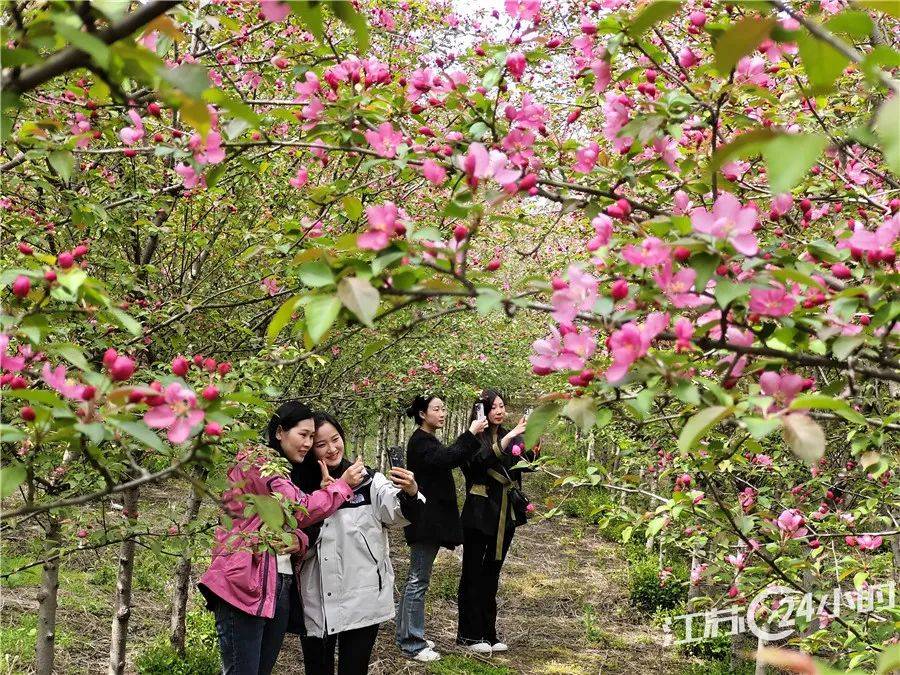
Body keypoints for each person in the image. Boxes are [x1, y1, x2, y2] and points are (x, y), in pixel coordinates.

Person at [197, 401, 367, 675]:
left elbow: (285, 524)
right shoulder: (259, 463)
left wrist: (298, 541)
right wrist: (342, 485)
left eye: (313, 437)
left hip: (277, 581)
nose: (308, 443)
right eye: (303, 435)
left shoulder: (283, 470)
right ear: (279, 432)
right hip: (244, 582)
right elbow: (298, 509)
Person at [295, 412, 425, 675]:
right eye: (321, 444)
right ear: (309, 448)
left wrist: (410, 491)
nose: (332, 449)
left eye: (336, 439)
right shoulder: (300, 487)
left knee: (354, 669)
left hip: (363, 596)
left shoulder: (369, 481)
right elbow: (298, 539)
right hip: (317, 597)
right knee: (317, 668)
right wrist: (326, 496)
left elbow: (397, 512)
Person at [395, 394, 489, 662]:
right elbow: (448, 458)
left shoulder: (426, 440)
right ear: (423, 414)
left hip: (428, 521)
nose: (442, 413)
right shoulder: (421, 442)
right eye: (437, 409)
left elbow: (447, 457)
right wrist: (470, 433)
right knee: (417, 580)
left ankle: (407, 634)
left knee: (416, 578)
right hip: (424, 522)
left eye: (444, 408)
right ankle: (412, 642)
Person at [457, 389, 535, 655]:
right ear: (482, 411)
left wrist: (533, 446)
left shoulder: (506, 435)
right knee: (473, 572)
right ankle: (468, 634)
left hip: (505, 513)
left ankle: (488, 633)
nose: (500, 411)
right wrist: (511, 437)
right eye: (494, 407)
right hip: (479, 514)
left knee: (492, 573)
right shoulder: (471, 438)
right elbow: (479, 464)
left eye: (502, 406)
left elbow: (520, 467)